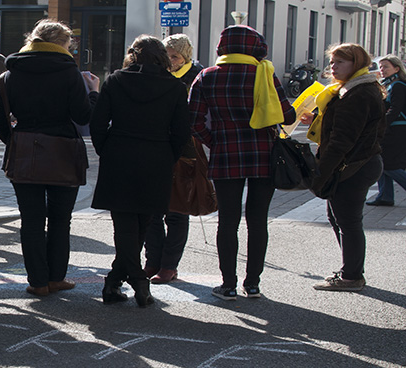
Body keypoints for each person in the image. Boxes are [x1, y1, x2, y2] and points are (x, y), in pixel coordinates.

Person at [0, 19, 100, 297]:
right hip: (64, 151)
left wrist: (17, 141)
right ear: (62, 44)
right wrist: (94, 93)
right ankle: (55, 278)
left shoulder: (9, 75)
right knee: (60, 218)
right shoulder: (69, 73)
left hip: (25, 152)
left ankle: (37, 281)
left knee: (31, 219)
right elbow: (83, 116)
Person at [188, 25, 296, 300]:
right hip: (264, 154)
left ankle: (228, 284)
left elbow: (194, 121)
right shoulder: (265, 74)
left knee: (228, 221)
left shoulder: (206, 76)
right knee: (258, 221)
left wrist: (215, 141)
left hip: (226, 155)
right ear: (256, 47)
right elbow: (287, 114)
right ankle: (253, 283)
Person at [90, 35, 190, 307]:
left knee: (123, 223)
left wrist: (106, 149)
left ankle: (122, 279)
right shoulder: (175, 86)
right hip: (156, 155)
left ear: (132, 55)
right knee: (144, 221)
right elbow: (182, 131)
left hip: (119, 152)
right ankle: (129, 280)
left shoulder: (115, 80)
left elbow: (98, 123)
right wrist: (168, 155)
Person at [301, 44, 385, 291]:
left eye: (340, 62)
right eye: (332, 62)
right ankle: (351, 271)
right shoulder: (354, 89)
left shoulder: (357, 93)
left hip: (354, 164)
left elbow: (342, 140)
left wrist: (321, 172)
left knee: (347, 221)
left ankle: (351, 276)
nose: (333, 67)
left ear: (356, 64)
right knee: (339, 218)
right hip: (358, 162)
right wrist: (317, 119)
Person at [143, 33, 204, 285]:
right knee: (152, 211)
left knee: (177, 211)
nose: (170, 61)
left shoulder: (197, 78)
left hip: (184, 150)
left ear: (186, 57)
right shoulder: (157, 76)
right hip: (155, 147)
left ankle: (169, 265)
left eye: (175, 57)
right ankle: (152, 260)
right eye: (166, 56)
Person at [366, 54, 406, 207]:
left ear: (396, 68)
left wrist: (381, 125)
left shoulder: (398, 86)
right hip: (391, 128)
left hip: (397, 130)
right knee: (381, 161)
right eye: (381, 67)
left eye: (386, 67)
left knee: (390, 165)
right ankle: (385, 196)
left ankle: (386, 195)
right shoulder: (388, 85)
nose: (382, 70)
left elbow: (395, 109)